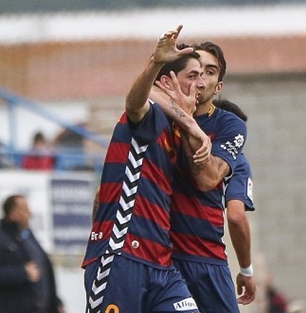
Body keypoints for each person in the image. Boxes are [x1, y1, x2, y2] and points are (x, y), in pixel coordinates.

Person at [82, 25, 211, 313]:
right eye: (193, 76)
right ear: (167, 82)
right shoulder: (152, 115)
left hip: (161, 266)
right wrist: (155, 62)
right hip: (122, 257)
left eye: (203, 76)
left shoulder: (179, 132)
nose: (200, 83)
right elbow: (135, 102)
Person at [164, 41, 251, 313]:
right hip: (161, 256)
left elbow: (207, 180)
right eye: (195, 70)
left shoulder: (229, 125)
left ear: (218, 85)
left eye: (210, 72)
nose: (201, 79)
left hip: (207, 259)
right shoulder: (160, 117)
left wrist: (186, 120)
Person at [213, 99, 256, 305]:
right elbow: (236, 216)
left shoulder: (175, 143)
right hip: (206, 257)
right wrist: (246, 270)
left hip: (159, 253)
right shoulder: (237, 161)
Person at [0, 194, 65, 313]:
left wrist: (56, 302)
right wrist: (22, 273)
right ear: (13, 214)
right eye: (25, 210)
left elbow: (45, 271)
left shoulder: (27, 235)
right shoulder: (3, 238)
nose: (30, 213)